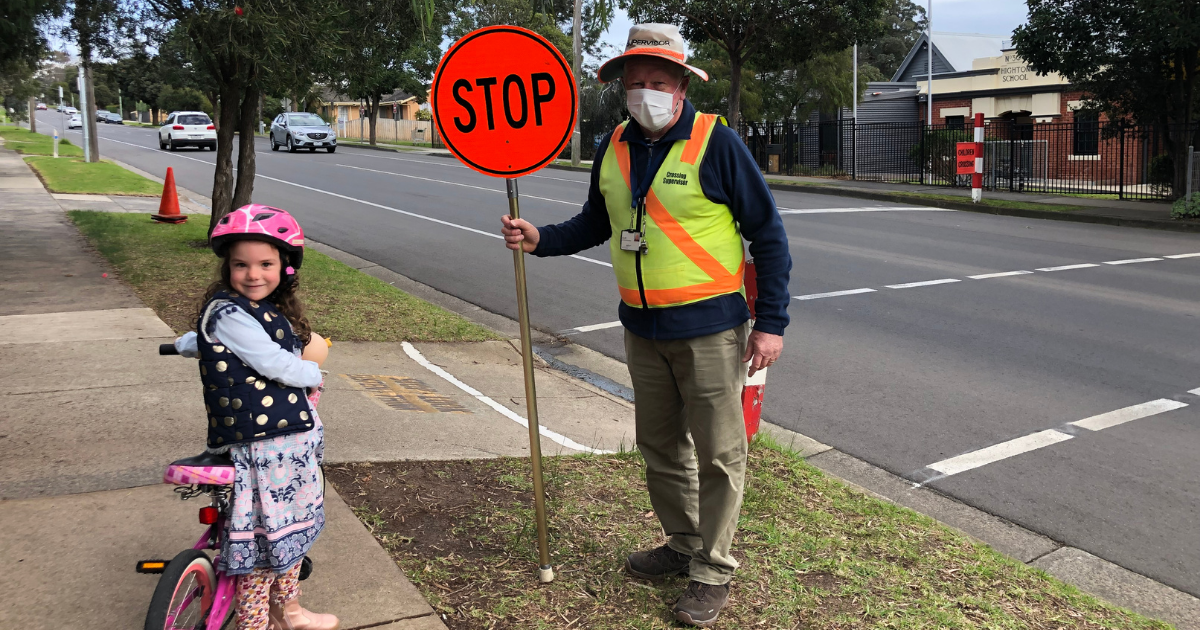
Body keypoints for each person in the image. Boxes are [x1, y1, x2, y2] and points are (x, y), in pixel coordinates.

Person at [501, 23, 791, 627]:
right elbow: (595, 222)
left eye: (658, 81)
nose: (645, 93)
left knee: (718, 453)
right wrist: (540, 239)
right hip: (642, 328)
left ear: (682, 85)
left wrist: (771, 324)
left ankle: (712, 570)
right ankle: (683, 543)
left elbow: (768, 235)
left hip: (712, 328)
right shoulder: (612, 146)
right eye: (635, 83)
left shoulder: (716, 143)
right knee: (659, 447)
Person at [174, 204, 338, 630]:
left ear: (284, 267)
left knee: (286, 537)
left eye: (265, 264)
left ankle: (292, 612)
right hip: (261, 445)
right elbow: (273, 363)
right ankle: (256, 622)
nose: (253, 274)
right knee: (266, 546)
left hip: (282, 442)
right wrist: (313, 372)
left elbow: (215, 343)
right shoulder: (229, 313)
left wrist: (188, 343)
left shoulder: (250, 311)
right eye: (240, 265)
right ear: (227, 267)